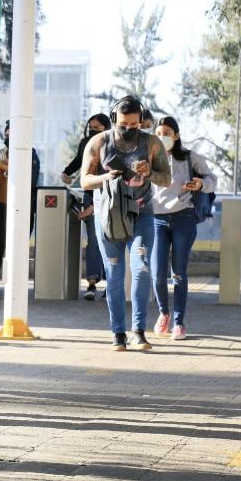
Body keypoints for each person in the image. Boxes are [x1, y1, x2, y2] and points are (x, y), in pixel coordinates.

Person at [80, 96, 171, 351]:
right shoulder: (98, 142)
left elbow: (166, 178)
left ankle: (138, 330)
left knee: (141, 268)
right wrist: (107, 177)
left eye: (134, 124)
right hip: (108, 214)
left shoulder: (151, 143)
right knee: (114, 273)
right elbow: (84, 181)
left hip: (141, 213)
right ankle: (118, 332)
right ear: (113, 119)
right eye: (123, 124)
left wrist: (148, 173)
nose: (129, 129)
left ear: (141, 121)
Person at [151, 116, 217, 340]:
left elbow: (211, 179)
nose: (162, 137)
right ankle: (163, 313)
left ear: (176, 135)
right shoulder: (148, 157)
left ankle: (179, 322)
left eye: (167, 132)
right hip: (156, 219)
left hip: (184, 218)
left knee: (178, 273)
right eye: (158, 132)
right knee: (158, 274)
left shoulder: (190, 157)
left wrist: (200, 183)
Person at [0, 120, 40, 298]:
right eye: (7, 133)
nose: (9, 136)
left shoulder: (31, 155)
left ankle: (17, 286)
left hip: (22, 208)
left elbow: (31, 181)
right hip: (0, 206)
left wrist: (12, 170)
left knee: (19, 247)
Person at [61, 113, 112, 300]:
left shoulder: (112, 146)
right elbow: (79, 162)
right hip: (90, 195)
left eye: (96, 128)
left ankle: (111, 285)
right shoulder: (86, 144)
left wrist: (94, 207)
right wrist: (66, 172)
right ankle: (92, 283)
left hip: (109, 198)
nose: (92, 131)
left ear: (106, 128)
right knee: (93, 241)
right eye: (90, 127)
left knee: (110, 243)